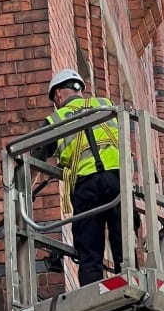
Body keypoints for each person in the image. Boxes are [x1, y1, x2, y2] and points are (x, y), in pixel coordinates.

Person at [37, 69, 124, 285]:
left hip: (87, 185)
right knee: (123, 243)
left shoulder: (55, 119)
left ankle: (94, 294)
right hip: (117, 180)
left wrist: (27, 193)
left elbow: (36, 155)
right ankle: (129, 280)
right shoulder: (105, 104)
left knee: (89, 251)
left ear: (58, 94)